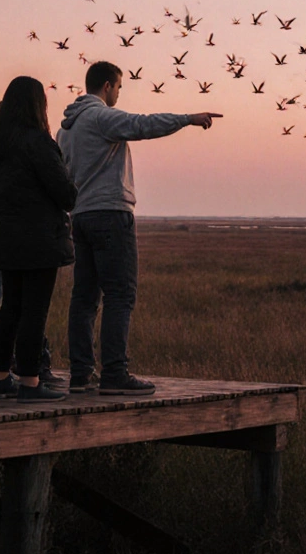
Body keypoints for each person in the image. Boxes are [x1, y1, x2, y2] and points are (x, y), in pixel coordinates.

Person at [57, 61, 220, 395]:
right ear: (107, 86)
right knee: (120, 294)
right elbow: (141, 125)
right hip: (110, 214)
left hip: (82, 216)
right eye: (118, 87)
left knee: (85, 297)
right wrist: (187, 119)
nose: (118, 93)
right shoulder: (101, 116)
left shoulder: (66, 129)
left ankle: (81, 373)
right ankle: (115, 373)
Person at [0, 76, 78, 402]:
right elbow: (65, 193)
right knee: (34, 311)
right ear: (38, 105)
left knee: (10, 306)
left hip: (7, 237)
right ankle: (30, 382)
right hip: (39, 239)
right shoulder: (37, 142)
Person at [0, 104, 62, 386]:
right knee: (8, 299)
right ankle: (17, 366)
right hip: (5, 223)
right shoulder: (3, 147)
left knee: (3, 298)